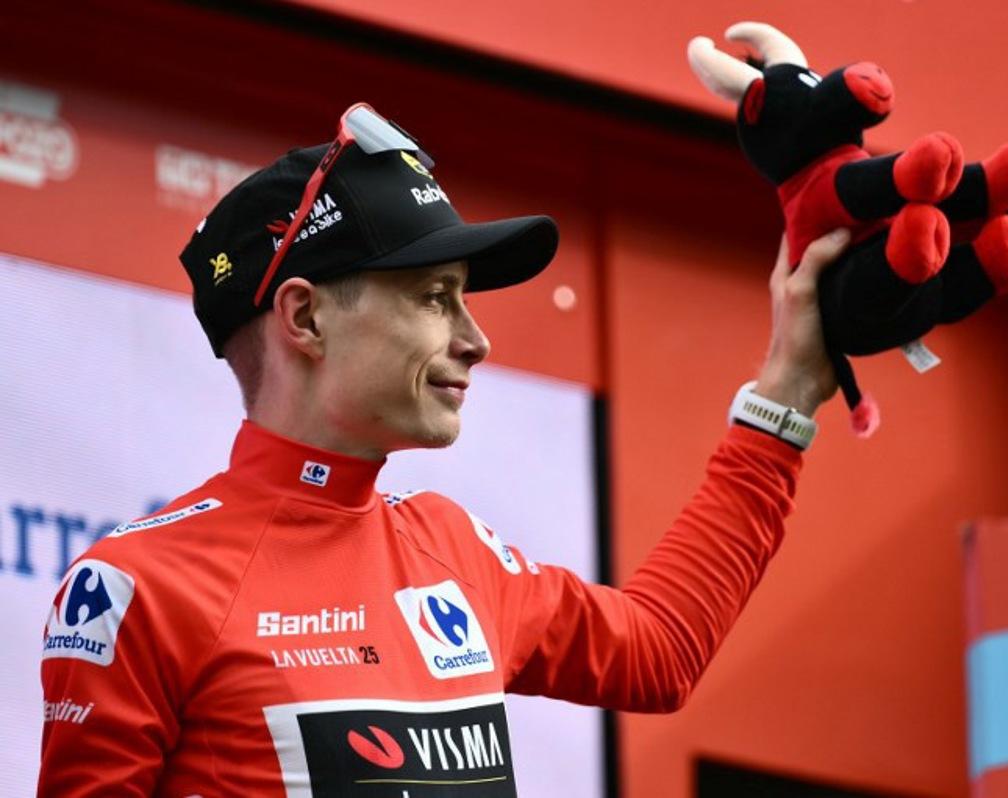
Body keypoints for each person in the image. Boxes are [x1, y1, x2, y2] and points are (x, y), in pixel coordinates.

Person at [38, 103, 850, 796]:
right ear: (305, 318)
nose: (476, 340)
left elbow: (660, 650)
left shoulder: (452, 548)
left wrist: (790, 387)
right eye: (435, 298)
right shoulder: (139, 590)